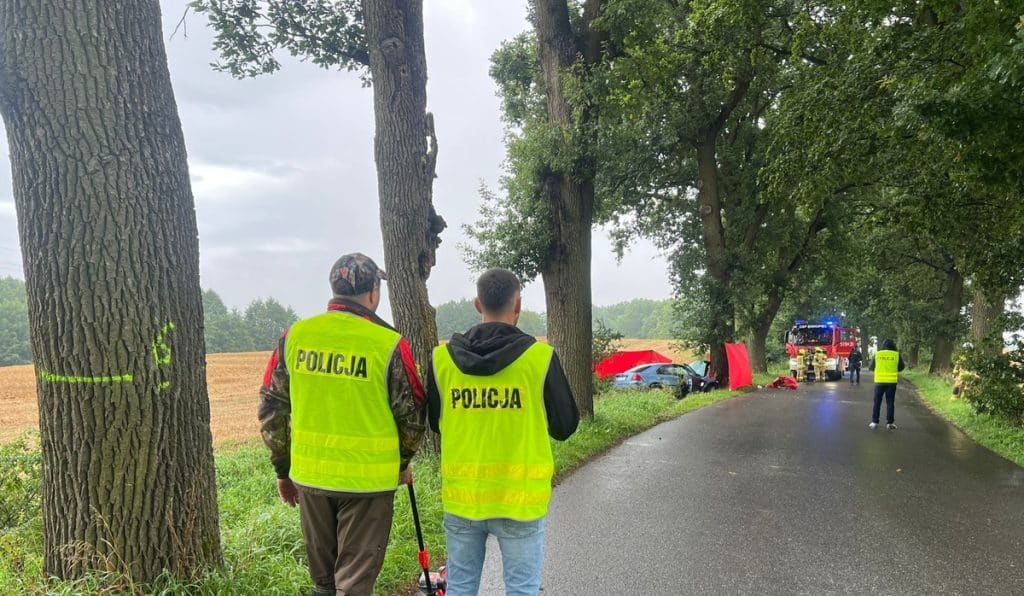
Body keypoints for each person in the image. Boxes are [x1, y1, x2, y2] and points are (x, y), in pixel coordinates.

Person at [258, 253, 426, 595]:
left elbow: (271, 409)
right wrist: (402, 464)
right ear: (374, 293)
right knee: (353, 585)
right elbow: (413, 416)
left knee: (324, 583)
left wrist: (282, 469)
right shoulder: (389, 345)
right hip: (368, 485)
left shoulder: (295, 336)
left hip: (310, 480)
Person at [426, 268, 579, 596]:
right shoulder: (539, 359)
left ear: (477, 304)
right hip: (519, 502)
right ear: (518, 304)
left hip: (463, 499)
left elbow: (434, 422)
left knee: (461, 588)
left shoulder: (442, 361)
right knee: (522, 590)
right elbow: (565, 427)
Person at [869, 339, 906, 430]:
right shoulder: (896, 355)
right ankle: (890, 423)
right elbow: (901, 367)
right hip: (891, 383)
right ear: (893, 345)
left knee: (877, 402)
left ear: (883, 345)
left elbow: (871, 367)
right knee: (890, 402)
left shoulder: (878, 354)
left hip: (879, 382)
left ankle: (874, 422)